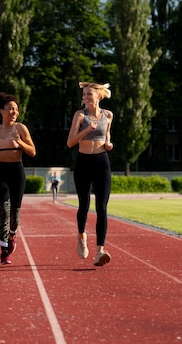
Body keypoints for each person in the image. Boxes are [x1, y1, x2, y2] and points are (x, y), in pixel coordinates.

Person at [0, 92, 37, 265]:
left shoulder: (21, 128)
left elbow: (32, 151)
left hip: (17, 171)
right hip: (0, 172)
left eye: (16, 109)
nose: (14, 112)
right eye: (10, 109)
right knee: (4, 211)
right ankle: (4, 251)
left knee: (15, 213)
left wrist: (20, 142)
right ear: (2, 111)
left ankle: (12, 235)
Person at [67, 82, 114, 267]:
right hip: (83, 162)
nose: (86, 97)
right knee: (84, 204)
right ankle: (81, 235)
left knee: (102, 207)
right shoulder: (80, 115)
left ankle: (100, 250)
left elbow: (107, 137)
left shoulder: (108, 115)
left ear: (98, 96)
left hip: (102, 162)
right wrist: (86, 130)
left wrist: (109, 144)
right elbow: (70, 142)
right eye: (84, 94)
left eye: (89, 94)